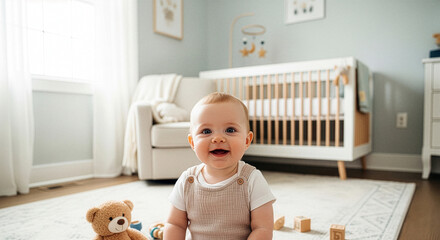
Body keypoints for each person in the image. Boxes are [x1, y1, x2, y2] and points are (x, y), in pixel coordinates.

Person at [164, 92, 276, 240]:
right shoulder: (187, 181)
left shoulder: (252, 179)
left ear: (247, 141)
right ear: (192, 143)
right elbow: (175, 224)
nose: (217, 138)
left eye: (230, 130)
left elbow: (263, 228)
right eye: (206, 131)